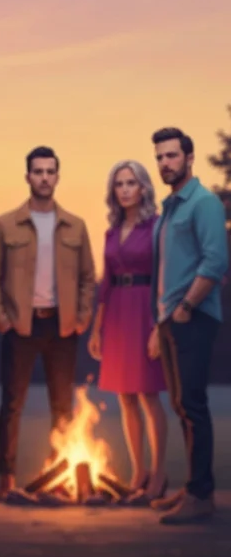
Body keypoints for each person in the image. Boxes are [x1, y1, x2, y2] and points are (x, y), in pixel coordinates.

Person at [0, 146, 96, 501]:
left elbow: (88, 277)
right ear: (28, 176)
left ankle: (59, 474)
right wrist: (0, 318)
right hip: (22, 325)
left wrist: (82, 315)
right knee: (12, 404)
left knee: (62, 406)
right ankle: (6, 479)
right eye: (38, 171)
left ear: (57, 177)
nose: (44, 177)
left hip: (61, 327)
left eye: (50, 171)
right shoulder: (6, 224)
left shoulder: (76, 225)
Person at [146, 127, 228, 524]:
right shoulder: (171, 208)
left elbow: (214, 262)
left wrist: (186, 307)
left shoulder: (204, 203)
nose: (165, 163)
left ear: (189, 158)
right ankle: (193, 487)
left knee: (193, 405)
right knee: (181, 405)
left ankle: (202, 495)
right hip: (169, 320)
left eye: (172, 156)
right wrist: (161, 319)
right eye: (160, 157)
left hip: (192, 318)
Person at [88, 161, 168, 505]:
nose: (124, 189)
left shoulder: (157, 227)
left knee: (149, 395)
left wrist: (159, 328)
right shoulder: (110, 231)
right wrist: (97, 328)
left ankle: (159, 472)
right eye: (119, 183)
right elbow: (105, 283)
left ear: (144, 188)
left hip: (145, 309)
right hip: (117, 312)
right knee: (125, 397)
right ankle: (138, 472)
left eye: (131, 183)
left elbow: (165, 277)